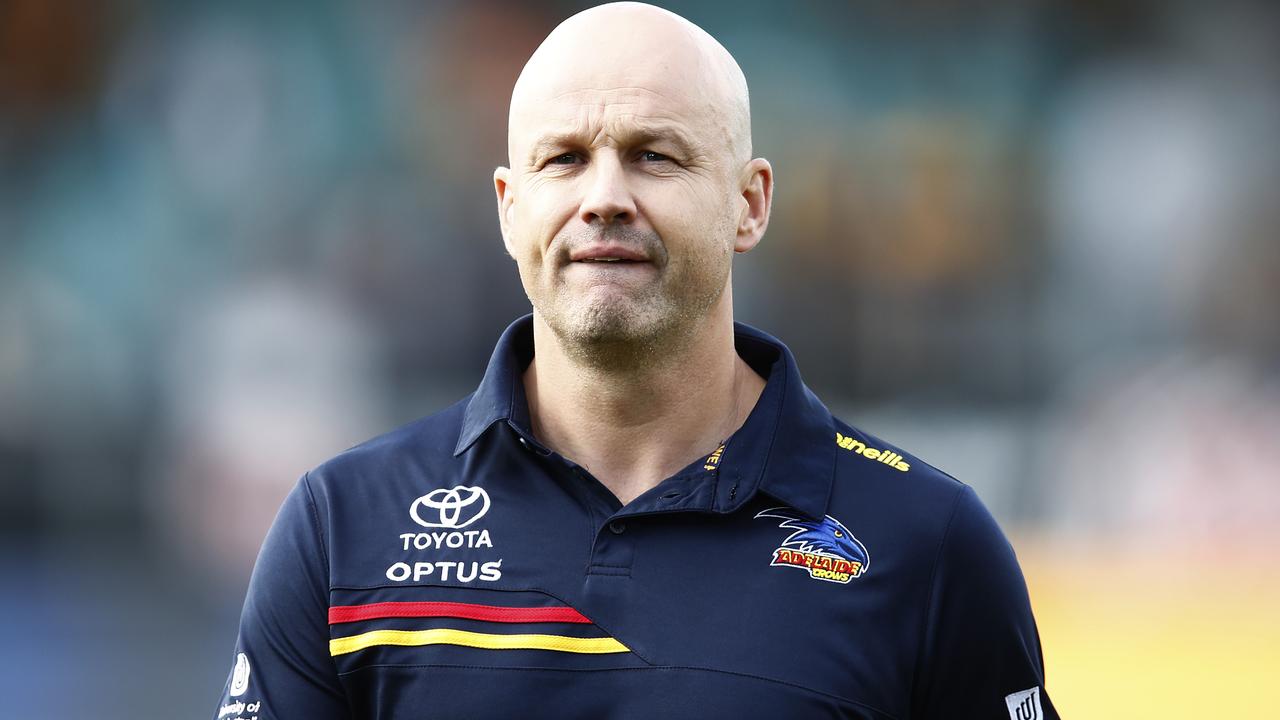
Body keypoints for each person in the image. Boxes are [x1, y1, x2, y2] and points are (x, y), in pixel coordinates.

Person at [212, 3, 1058, 718]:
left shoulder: (930, 545)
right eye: (565, 159)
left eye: (655, 155)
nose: (605, 197)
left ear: (749, 202)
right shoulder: (342, 528)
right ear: (511, 209)